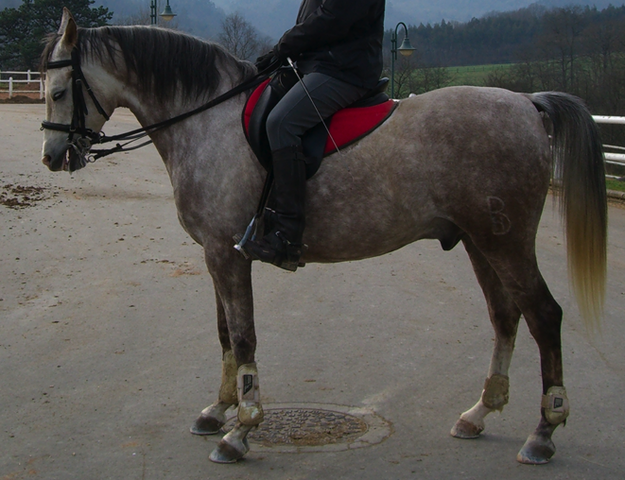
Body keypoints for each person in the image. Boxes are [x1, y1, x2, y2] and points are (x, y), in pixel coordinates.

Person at [240, 0, 386, 271]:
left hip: (345, 69)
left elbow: (334, 17)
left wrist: (285, 45)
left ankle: (287, 235)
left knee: (282, 123)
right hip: (319, 63)